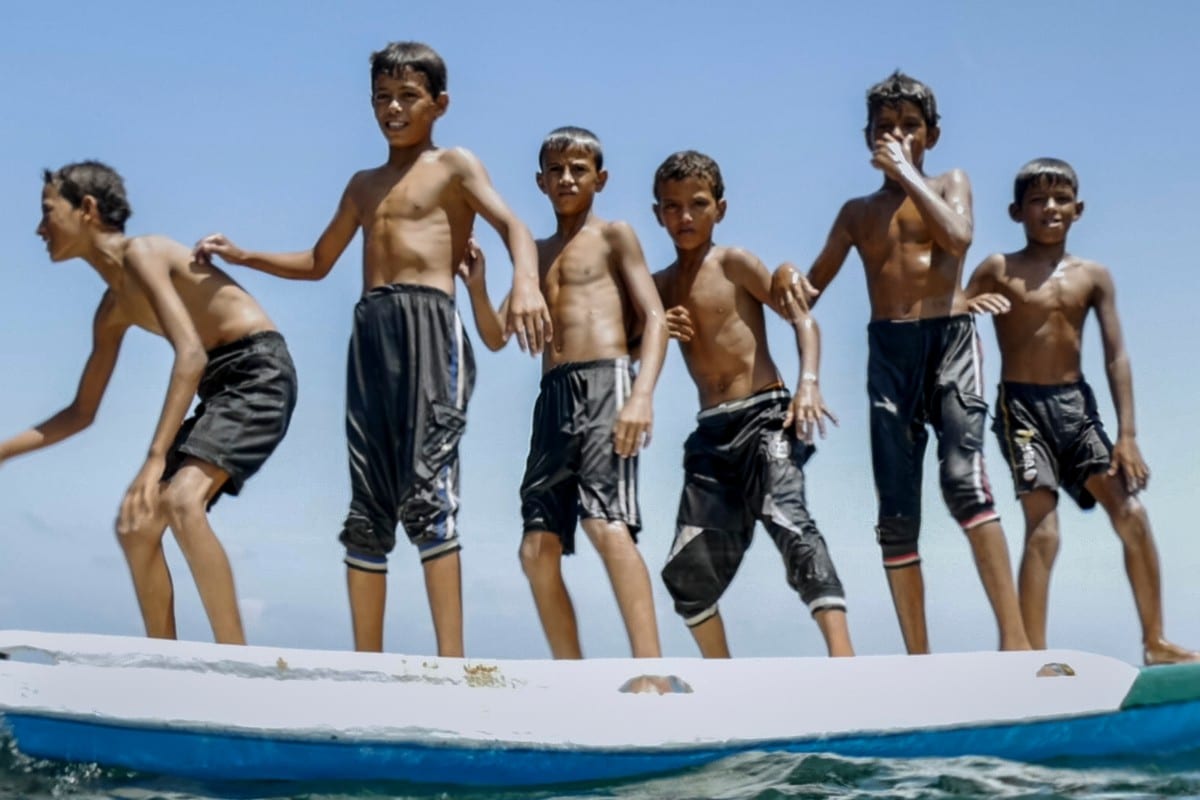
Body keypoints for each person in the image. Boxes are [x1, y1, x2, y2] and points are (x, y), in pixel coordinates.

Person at [194, 41, 550, 657]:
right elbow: (317, 261)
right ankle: (368, 666)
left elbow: (514, 225)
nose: (393, 108)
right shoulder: (362, 185)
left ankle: (453, 666)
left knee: (427, 492)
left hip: (432, 327)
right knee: (367, 504)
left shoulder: (455, 165)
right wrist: (243, 254)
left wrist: (524, 282)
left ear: (439, 104)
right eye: (382, 97)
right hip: (371, 335)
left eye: (408, 97)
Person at [776, 71, 1029, 653]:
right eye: (885, 129)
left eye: (910, 127)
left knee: (964, 482)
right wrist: (783, 277)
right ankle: (919, 659)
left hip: (950, 345)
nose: (897, 137)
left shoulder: (949, 181)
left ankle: (1017, 644)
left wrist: (908, 174)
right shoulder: (855, 213)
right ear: (867, 138)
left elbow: (959, 239)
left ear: (931, 136)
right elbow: (808, 293)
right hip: (888, 352)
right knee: (895, 515)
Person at [1, 160, 297, 645]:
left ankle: (242, 663)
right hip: (219, 383)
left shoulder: (143, 253)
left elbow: (191, 353)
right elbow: (81, 411)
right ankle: (164, 663)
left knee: (181, 500)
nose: (39, 228)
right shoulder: (111, 310)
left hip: (258, 370)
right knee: (135, 524)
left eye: (47, 212)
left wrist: (155, 457)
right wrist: (4, 451)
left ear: (88, 209)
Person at [965, 157, 1199, 665]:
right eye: (1037, 200)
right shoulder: (997, 269)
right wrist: (965, 305)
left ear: (1078, 209)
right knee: (1044, 528)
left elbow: (1116, 354)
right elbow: (950, 316)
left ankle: (1155, 641)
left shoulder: (1093, 276)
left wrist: (1127, 434)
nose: (1050, 207)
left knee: (1132, 514)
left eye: (1060, 198)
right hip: (1022, 410)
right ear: (1016, 211)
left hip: (1078, 408)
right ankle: (1029, 656)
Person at [458, 126, 668, 659]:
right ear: (540, 181)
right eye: (555, 170)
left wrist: (641, 395)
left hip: (607, 382)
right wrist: (478, 285)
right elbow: (495, 335)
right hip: (552, 397)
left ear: (600, 178)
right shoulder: (537, 253)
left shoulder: (614, 235)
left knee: (605, 522)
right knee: (536, 548)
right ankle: (571, 673)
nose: (566, 178)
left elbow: (655, 318)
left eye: (578, 169)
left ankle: (651, 667)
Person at [650, 150, 854, 658]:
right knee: (686, 571)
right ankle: (723, 676)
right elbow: (625, 341)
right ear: (658, 214)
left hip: (765, 416)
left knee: (786, 517)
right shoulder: (660, 285)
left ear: (720, 208)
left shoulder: (733, 262)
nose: (685, 216)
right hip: (710, 435)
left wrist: (809, 382)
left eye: (698, 204)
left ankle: (845, 659)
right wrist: (650, 333)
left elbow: (801, 318)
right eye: (672, 207)